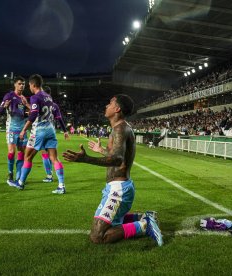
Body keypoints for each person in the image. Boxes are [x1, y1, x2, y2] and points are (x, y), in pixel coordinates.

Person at [62, 94, 163, 246]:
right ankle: (143, 216)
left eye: (110, 104)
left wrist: (86, 159)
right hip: (117, 187)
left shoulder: (120, 129)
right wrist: (102, 150)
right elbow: (118, 156)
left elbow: (117, 159)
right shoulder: (119, 128)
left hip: (119, 190)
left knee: (98, 236)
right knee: (106, 224)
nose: (106, 106)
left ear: (117, 109)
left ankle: (144, 225)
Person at [14, 74, 66, 194]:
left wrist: (23, 130)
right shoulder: (48, 97)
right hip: (51, 130)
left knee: (28, 157)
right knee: (54, 158)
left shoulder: (35, 97)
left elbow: (33, 115)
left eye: (29, 86)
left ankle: (20, 183)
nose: (29, 88)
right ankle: (61, 186)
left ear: (33, 85)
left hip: (39, 131)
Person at [0, 76, 30, 186]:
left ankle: (19, 175)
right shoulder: (9, 95)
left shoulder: (23, 98)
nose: (22, 86)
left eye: (23, 84)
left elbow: (28, 112)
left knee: (22, 152)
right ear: (15, 84)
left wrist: (26, 107)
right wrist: (4, 106)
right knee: (11, 152)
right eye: (20, 83)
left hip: (22, 129)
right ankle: (10, 173)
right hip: (11, 127)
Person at [40, 86, 69, 193]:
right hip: (52, 132)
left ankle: (49, 176)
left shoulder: (42, 103)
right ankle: (61, 184)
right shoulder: (55, 105)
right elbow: (59, 119)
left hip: (42, 132)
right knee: (54, 157)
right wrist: (65, 131)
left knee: (44, 154)